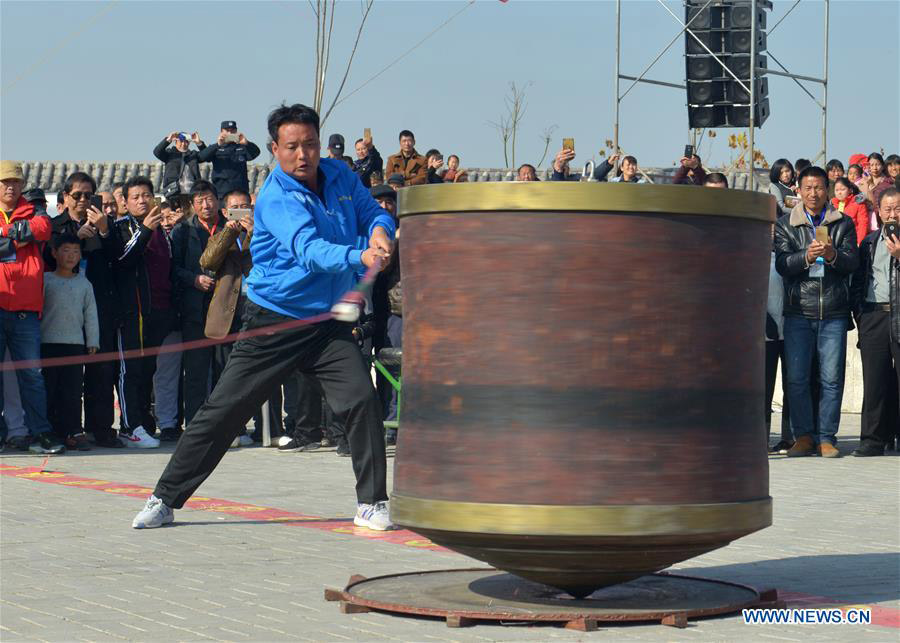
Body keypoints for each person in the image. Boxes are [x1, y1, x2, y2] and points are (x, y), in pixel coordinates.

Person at [132, 103, 396, 531]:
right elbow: (309, 251)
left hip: (327, 325)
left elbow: (371, 211)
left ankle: (371, 502)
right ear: (275, 149)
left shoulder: (342, 176)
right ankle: (165, 497)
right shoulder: (276, 196)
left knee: (361, 401)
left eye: (310, 144)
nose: (303, 154)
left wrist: (381, 227)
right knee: (225, 411)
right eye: (292, 147)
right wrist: (360, 254)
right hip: (274, 321)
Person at [774, 165, 859, 458]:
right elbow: (782, 265)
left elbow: (852, 263)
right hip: (799, 311)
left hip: (834, 311)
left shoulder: (843, 223)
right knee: (796, 378)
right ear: (798, 190)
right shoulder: (787, 224)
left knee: (832, 379)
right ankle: (804, 436)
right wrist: (805, 257)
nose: (813, 193)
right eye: (808, 188)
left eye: (819, 187)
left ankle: (826, 437)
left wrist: (833, 254)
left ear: (827, 190)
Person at [50, 172, 123, 448]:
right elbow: (48, 260)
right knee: (64, 375)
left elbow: (120, 259)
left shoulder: (107, 225)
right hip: (63, 310)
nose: (82, 200)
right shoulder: (55, 226)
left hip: (100, 308)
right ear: (66, 197)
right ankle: (64, 428)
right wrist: (75, 238)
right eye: (77, 195)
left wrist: (104, 230)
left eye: (88, 195)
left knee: (101, 371)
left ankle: (101, 428)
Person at [0, 161, 65, 454]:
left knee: (32, 375)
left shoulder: (34, 209)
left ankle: (41, 433)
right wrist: (20, 237)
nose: (10, 187)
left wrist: (9, 233)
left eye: (15, 181)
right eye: (4, 182)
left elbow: (43, 229)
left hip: (25, 307)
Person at [171, 181, 231, 426]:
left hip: (225, 309)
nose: (205, 205)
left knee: (224, 370)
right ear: (192, 205)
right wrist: (193, 278)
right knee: (195, 371)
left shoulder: (230, 227)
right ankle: (195, 423)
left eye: (209, 199)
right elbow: (172, 268)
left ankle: (224, 424)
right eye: (199, 201)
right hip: (194, 309)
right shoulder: (182, 230)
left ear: (218, 200)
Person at [111, 176, 164, 448]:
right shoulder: (119, 227)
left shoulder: (162, 229)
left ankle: (144, 422)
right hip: (128, 313)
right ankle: (129, 426)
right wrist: (144, 230)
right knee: (128, 371)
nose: (142, 200)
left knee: (147, 371)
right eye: (136, 197)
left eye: (147, 195)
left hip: (154, 312)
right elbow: (122, 259)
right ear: (125, 201)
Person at [850, 187, 900, 457]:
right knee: (875, 381)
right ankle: (872, 439)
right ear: (878, 213)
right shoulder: (869, 242)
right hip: (874, 316)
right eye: (887, 209)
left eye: (898, 209)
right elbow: (858, 281)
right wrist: (861, 314)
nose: (893, 214)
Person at [40, 234, 99, 451]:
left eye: (76, 251)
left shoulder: (84, 283)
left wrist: (92, 340)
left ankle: (74, 430)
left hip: (74, 344)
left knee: (73, 390)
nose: (71, 255)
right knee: (49, 389)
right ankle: (50, 431)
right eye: (66, 250)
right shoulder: (45, 280)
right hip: (47, 344)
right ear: (54, 253)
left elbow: (91, 314)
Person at [765, 224, 792, 453]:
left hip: (791, 330)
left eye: (776, 228)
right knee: (764, 387)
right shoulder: (752, 259)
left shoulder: (787, 259)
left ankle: (789, 436)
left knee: (793, 384)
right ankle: (760, 437)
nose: (772, 232)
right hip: (765, 335)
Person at [197, 120, 261, 198]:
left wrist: (247, 143)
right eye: (227, 131)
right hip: (221, 191)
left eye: (233, 130)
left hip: (240, 191)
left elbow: (256, 153)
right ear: (221, 132)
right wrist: (218, 144)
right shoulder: (216, 148)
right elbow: (202, 157)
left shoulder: (242, 147)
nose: (230, 133)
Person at [154, 131, 206, 196]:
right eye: (181, 141)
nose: (183, 144)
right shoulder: (169, 154)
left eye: (186, 142)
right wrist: (169, 140)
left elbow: (206, 156)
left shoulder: (193, 155)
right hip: (173, 193)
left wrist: (199, 143)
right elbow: (157, 152)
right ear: (176, 142)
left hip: (192, 194)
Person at [832, 177, 870, 245]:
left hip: (853, 241)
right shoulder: (832, 204)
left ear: (850, 190)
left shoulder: (858, 203)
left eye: (843, 189)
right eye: (836, 190)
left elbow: (863, 224)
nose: (839, 192)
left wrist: (859, 242)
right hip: (837, 242)